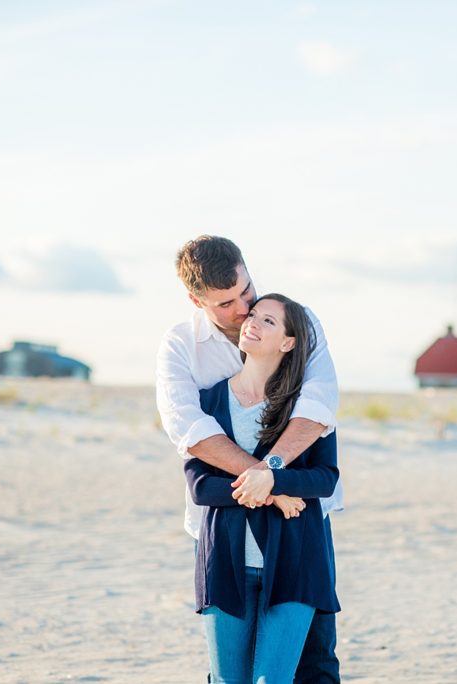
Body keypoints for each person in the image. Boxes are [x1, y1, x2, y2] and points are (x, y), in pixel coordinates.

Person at [156, 236, 342, 682]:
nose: (243, 310)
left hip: (301, 530)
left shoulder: (296, 320)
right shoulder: (181, 347)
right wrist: (267, 486)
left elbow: (317, 408)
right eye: (226, 303)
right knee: (228, 675)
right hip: (224, 532)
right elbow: (191, 433)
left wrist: (272, 476)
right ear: (195, 300)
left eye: (247, 291)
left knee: (315, 664)